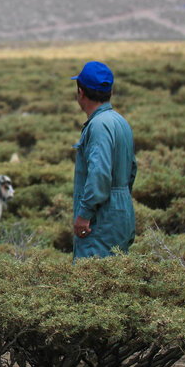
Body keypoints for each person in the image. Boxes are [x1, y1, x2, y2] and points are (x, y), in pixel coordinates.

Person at [71, 61, 136, 260]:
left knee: (91, 278)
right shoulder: (119, 121)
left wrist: (84, 215)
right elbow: (132, 168)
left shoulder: (98, 125)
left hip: (102, 218)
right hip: (122, 210)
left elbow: (99, 174)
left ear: (81, 92)